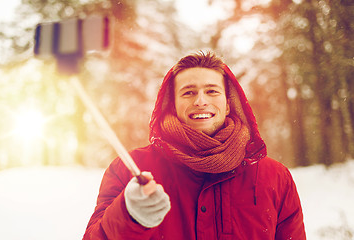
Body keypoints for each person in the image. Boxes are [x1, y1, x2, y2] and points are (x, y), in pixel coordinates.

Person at [83, 51, 306, 240]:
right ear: (173, 105)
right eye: (189, 92)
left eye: (212, 91)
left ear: (228, 104)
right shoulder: (130, 168)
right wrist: (128, 214)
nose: (200, 101)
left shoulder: (275, 177)